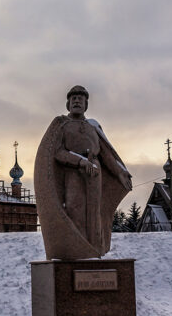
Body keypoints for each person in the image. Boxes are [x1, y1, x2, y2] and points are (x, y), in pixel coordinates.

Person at [34, 85, 132, 260]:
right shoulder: (63, 125)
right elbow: (57, 152)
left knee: (95, 214)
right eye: (73, 99)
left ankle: (94, 253)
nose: (77, 101)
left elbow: (105, 154)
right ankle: (78, 253)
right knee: (74, 209)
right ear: (68, 104)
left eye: (80, 99)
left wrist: (120, 172)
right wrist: (79, 161)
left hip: (94, 173)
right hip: (73, 173)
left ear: (86, 104)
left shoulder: (92, 127)